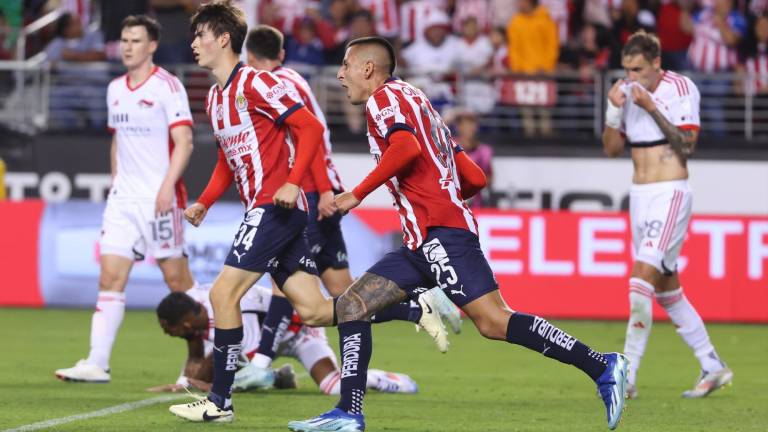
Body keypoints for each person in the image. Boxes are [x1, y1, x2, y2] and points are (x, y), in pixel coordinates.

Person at [288, 36, 629, 432]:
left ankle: (602, 365)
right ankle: (348, 414)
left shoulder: (382, 101)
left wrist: (356, 194)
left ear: (368, 69)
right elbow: (473, 177)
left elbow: (405, 148)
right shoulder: (420, 102)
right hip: (423, 240)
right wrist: (442, 191)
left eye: (346, 65)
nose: (341, 74)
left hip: (439, 233)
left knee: (493, 322)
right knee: (352, 306)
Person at [167, 3, 449, 423]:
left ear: (223, 38)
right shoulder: (214, 96)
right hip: (269, 208)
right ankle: (415, 306)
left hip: (275, 207)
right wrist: (205, 201)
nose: (193, 44)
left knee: (221, 294)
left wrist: (294, 180)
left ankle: (219, 402)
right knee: (316, 310)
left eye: (200, 35)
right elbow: (229, 158)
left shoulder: (257, 84)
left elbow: (311, 128)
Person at [237, 24, 461, 390]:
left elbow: (307, 138)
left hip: (309, 194)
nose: (341, 75)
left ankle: (261, 362)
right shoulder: (289, 80)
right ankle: (419, 305)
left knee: (286, 281)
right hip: (318, 191)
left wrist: (323, 190)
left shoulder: (277, 85)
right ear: (279, 54)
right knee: (345, 291)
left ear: (250, 59)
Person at [54, 14, 197, 384]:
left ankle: (206, 359)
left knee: (178, 282)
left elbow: (185, 142)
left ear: (151, 46)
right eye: (124, 40)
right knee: (110, 277)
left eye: (135, 40)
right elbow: (118, 138)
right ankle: (97, 363)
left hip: (160, 199)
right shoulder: (115, 87)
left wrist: (167, 187)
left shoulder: (168, 86)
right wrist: (115, 181)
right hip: (123, 201)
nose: (127, 46)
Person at [602, 30, 733, 400]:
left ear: (656, 63)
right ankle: (712, 364)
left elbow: (687, 145)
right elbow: (611, 149)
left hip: (670, 192)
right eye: (627, 70)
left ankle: (624, 373)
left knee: (639, 280)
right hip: (639, 196)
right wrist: (614, 110)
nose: (631, 78)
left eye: (638, 69)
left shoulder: (680, 87)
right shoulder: (625, 91)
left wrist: (651, 107)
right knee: (666, 290)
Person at [150, 284, 419, 395]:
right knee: (220, 361)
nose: (167, 333)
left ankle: (389, 380)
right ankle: (282, 378)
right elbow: (196, 352)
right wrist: (183, 384)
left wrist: (210, 385)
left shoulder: (234, 312)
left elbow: (255, 365)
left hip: (296, 332)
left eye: (167, 329)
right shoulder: (192, 308)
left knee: (333, 386)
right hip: (254, 342)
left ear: (183, 322)